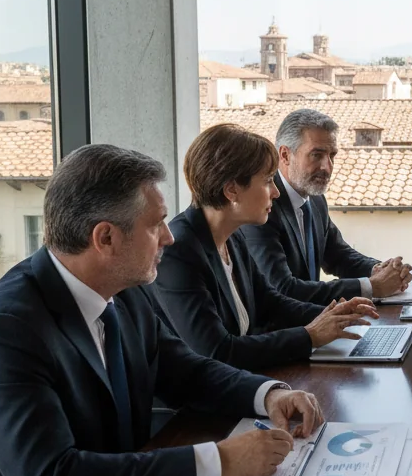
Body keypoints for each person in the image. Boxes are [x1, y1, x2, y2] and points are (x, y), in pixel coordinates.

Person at [0, 144, 323, 476]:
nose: (169, 237)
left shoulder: (123, 286)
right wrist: (219, 461)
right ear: (106, 238)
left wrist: (268, 395)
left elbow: (185, 370)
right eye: (156, 224)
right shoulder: (5, 330)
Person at [155, 124, 377, 369]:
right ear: (231, 190)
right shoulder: (179, 252)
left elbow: (271, 303)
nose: (276, 192)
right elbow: (218, 351)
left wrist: (335, 315)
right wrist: (310, 336)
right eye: (268, 180)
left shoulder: (232, 237)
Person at [243, 108, 412, 305]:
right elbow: (283, 288)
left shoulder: (316, 199)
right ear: (285, 155)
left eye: (332, 155)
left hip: (316, 318)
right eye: (316, 155)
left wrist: (380, 270)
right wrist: (371, 286)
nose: (327, 166)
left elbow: (338, 255)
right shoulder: (262, 206)